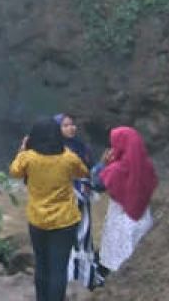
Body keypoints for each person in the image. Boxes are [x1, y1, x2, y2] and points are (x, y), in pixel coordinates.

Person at [10, 117, 89, 301]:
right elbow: (83, 171)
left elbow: (14, 171)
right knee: (58, 269)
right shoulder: (68, 158)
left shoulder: (28, 158)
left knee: (42, 265)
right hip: (65, 220)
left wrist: (23, 149)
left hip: (38, 219)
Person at [91, 126, 156, 273]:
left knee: (118, 262)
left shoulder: (116, 169)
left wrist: (103, 164)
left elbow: (97, 184)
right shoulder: (147, 166)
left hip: (120, 219)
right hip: (143, 217)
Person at [55, 113, 101, 288]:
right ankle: (69, 279)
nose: (71, 128)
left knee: (83, 236)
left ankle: (84, 278)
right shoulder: (54, 149)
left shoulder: (82, 147)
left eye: (72, 124)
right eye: (65, 125)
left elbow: (89, 170)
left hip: (83, 199)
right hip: (64, 200)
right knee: (69, 238)